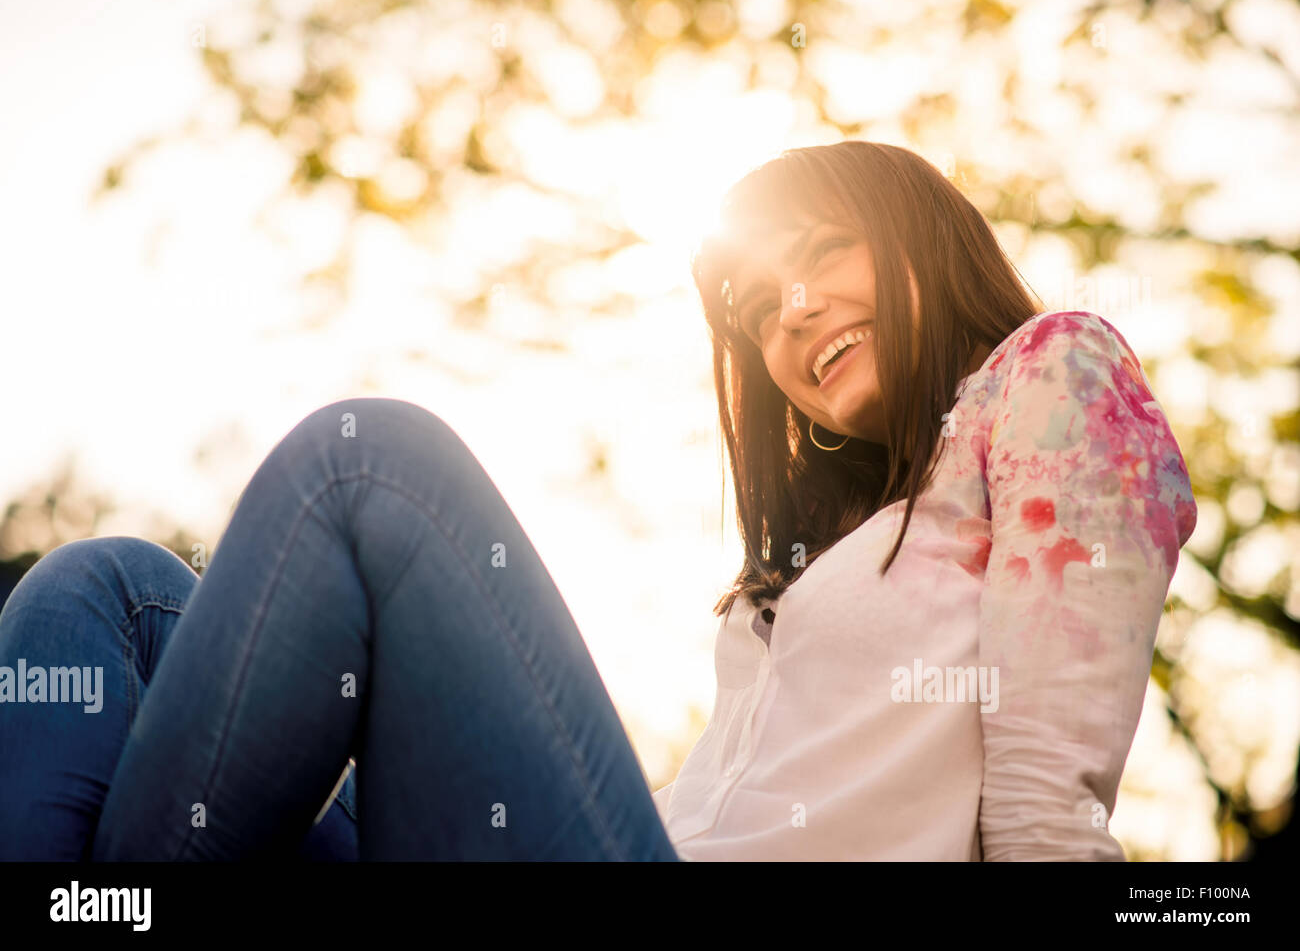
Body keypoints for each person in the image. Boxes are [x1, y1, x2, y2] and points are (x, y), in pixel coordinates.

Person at [0, 141, 1197, 860]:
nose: (787, 311)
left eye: (825, 254)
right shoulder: (824, 548)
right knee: (108, 591)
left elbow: (1047, 801)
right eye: (756, 304)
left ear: (919, 239)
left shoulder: (1056, 376)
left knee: (368, 466)